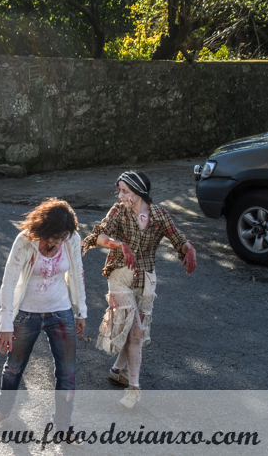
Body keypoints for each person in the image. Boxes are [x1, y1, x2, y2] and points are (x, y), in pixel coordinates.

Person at [81, 170, 197, 409]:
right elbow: (99, 237)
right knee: (134, 331)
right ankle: (134, 389)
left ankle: (117, 370)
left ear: (139, 192)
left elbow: (178, 239)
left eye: (126, 191)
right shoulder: (118, 211)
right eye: (120, 191)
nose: (121, 196)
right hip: (119, 276)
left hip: (146, 279)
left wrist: (189, 249)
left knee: (135, 330)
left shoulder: (159, 215)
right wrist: (119, 244)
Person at [0, 198, 87, 443]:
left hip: (60, 311)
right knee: (14, 367)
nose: (58, 242)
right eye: (55, 236)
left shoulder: (71, 239)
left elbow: (78, 273)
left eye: (62, 237)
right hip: (26, 313)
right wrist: (5, 324)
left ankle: (63, 426)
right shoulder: (25, 240)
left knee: (67, 373)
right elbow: (8, 282)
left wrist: (81, 311)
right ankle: (2, 411)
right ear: (44, 228)